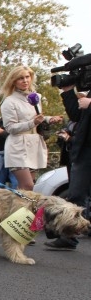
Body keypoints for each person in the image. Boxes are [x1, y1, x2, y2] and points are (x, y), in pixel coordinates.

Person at [0, 65, 62, 191]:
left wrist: (49, 119)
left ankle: (22, 210)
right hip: (18, 146)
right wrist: (32, 123)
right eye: (20, 78)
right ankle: (15, 209)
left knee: (29, 189)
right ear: (14, 81)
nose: (25, 81)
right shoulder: (9, 101)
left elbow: (37, 117)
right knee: (27, 186)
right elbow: (10, 128)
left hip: (34, 143)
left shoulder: (35, 97)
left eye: (27, 77)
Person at [45, 85, 91, 250]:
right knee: (77, 195)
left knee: (76, 195)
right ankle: (69, 236)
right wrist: (67, 91)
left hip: (86, 152)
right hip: (83, 151)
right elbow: (76, 116)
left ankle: (69, 235)